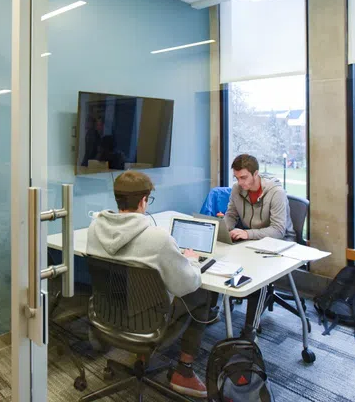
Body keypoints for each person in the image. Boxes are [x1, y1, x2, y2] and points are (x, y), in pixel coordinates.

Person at [87, 171, 218, 398]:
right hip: (148, 323)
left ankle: (141, 356)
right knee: (201, 294)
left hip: (108, 316)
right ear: (143, 200)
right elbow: (186, 285)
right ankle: (183, 372)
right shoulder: (158, 239)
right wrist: (192, 262)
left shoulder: (94, 228)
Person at [217, 153, 295, 338]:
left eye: (244, 177)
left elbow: (278, 230)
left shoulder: (276, 193)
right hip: (252, 239)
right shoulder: (237, 189)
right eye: (237, 178)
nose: (240, 182)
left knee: (258, 274)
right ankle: (213, 309)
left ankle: (250, 327)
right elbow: (231, 215)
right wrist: (222, 230)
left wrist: (247, 234)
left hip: (280, 242)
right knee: (218, 256)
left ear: (256, 173)